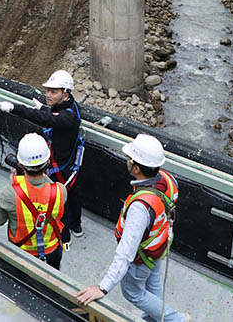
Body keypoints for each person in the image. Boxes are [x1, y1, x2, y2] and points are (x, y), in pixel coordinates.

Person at [75, 134, 188, 322]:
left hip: (143, 255)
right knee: (153, 285)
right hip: (160, 244)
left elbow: (126, 253)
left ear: (136, 168)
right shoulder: (168, 179)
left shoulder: (140, 207)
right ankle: (155, 319)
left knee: (133, 292)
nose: (126, 161)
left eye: (129, 159)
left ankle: (176, 320)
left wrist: (102, 288)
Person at [0, 69, 84, 245]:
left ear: (65, 95)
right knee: (73, 194)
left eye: (53, 92)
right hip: (67, 162)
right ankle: (77, 226)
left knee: (60, 201)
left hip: (61, 165)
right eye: (47, 91)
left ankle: (65, 238)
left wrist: (14, 108)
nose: (48, 95)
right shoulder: (71, 107)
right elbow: (52, 116)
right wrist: (44, 108)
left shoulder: (67, 118)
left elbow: (47, 119)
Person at [0, 133, 67, 269]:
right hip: (52, 249)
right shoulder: (60, 190)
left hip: (22, 251)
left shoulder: (9, 193)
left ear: (21, 164)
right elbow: (46, 189)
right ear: (48, 162)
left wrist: (14, 186)